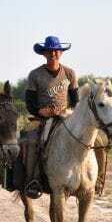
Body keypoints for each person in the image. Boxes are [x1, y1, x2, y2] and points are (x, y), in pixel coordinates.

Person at [23, 36, 81, 198]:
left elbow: (76, 100)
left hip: (66, 117)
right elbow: (29, 102)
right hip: (43, 118)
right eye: (50, 51)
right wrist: (40, 111)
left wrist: (66, 111)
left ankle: (93, 180)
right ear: (44, 54)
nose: (53, 53)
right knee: (32, 141)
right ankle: (32, 180)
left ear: (61, 53)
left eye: (56, 50)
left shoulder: (69, 73)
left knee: (93, 139)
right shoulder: (35, 75)